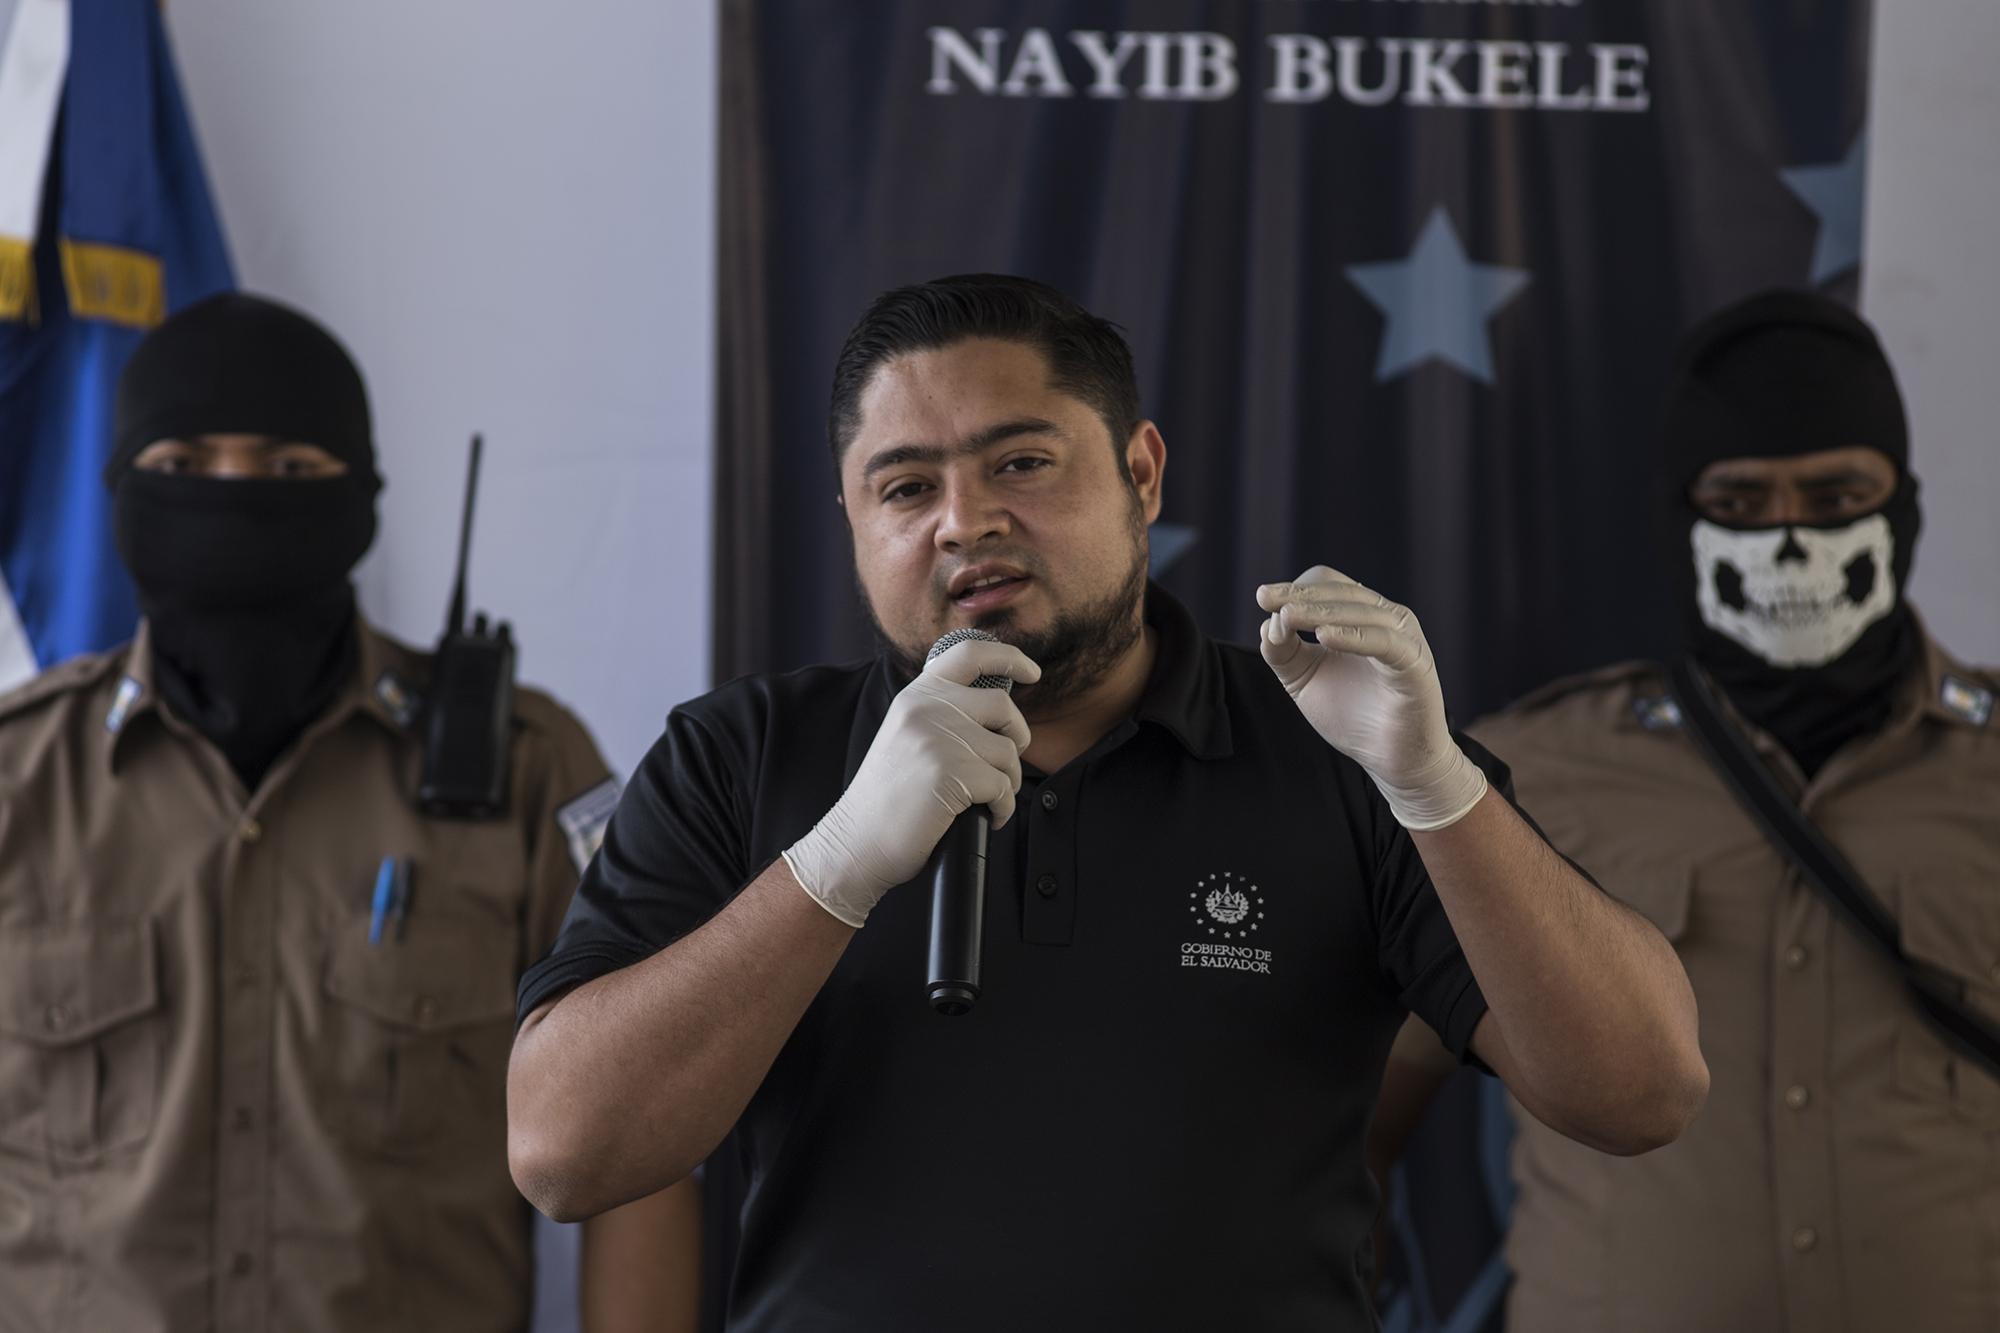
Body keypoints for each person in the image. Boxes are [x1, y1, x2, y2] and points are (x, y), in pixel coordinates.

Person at [505, 274, 1707, 1332]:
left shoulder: (1331, 738)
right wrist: (835, 865)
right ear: (853, 525)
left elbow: (1641, 1091)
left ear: (1139, 471)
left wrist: (1431, 781)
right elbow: (563, 1155)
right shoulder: (739, 754)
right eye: (904, 487)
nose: (962, 521)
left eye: (1018, 463)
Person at [0, 293, 698, 1332]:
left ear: (361, 497)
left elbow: (640, 1130)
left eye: (288, 471)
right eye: (187, 463)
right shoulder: (18, 776)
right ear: (121, 494)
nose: (234, 499)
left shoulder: (529, 769)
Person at [1370, 289, 2000, 1333]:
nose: (1791, 539)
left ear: (1901, 509)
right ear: (1680, 518)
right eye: (1741, 503)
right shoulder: (1521, 774)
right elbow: (1356, 1113)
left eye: (1837, 491)